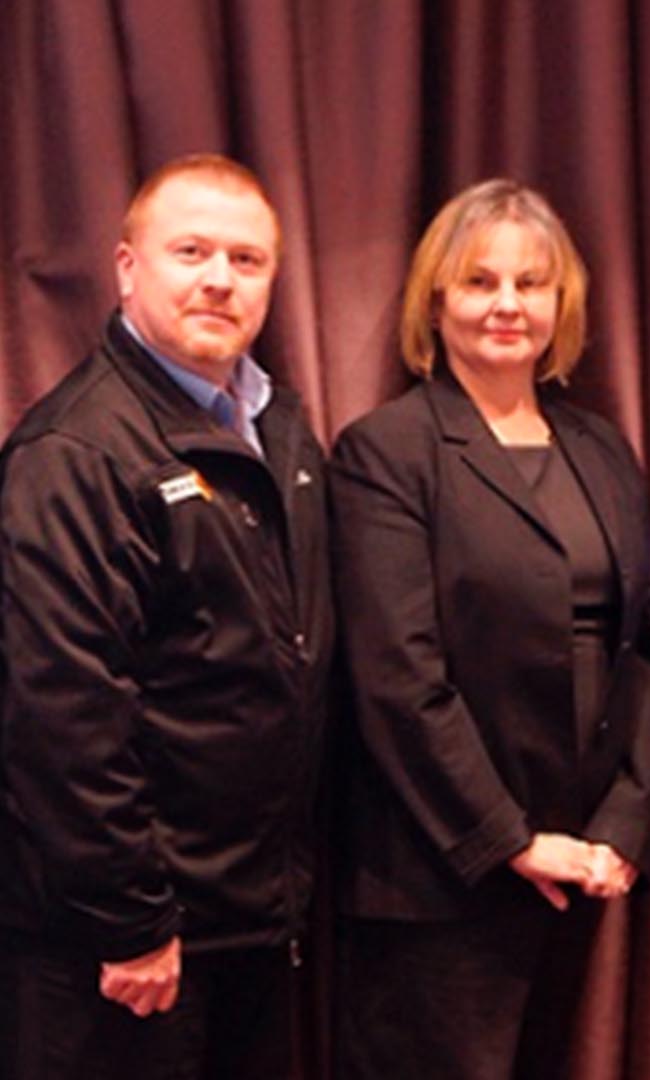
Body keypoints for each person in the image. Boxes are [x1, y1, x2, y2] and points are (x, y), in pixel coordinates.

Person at [327, 179, 650, 1079]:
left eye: (531, 283)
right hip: (442, 878)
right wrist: (510, 841)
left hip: (579, 868)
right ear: (435, 301)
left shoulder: (600, 447)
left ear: (562, 302)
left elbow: (647, 654)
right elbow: (398, 679)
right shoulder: (387, 451)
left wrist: (622, 829)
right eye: (480, 281)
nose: (507, 305)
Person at [0, 154, 332, 1079]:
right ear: (126, 267)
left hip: (253, 923)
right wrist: (131, 921)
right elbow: (60, 714)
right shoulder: (75, 452)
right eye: (190, 251)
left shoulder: (282, 426)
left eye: (247, 259)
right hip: (124, 950)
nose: (220, 279)